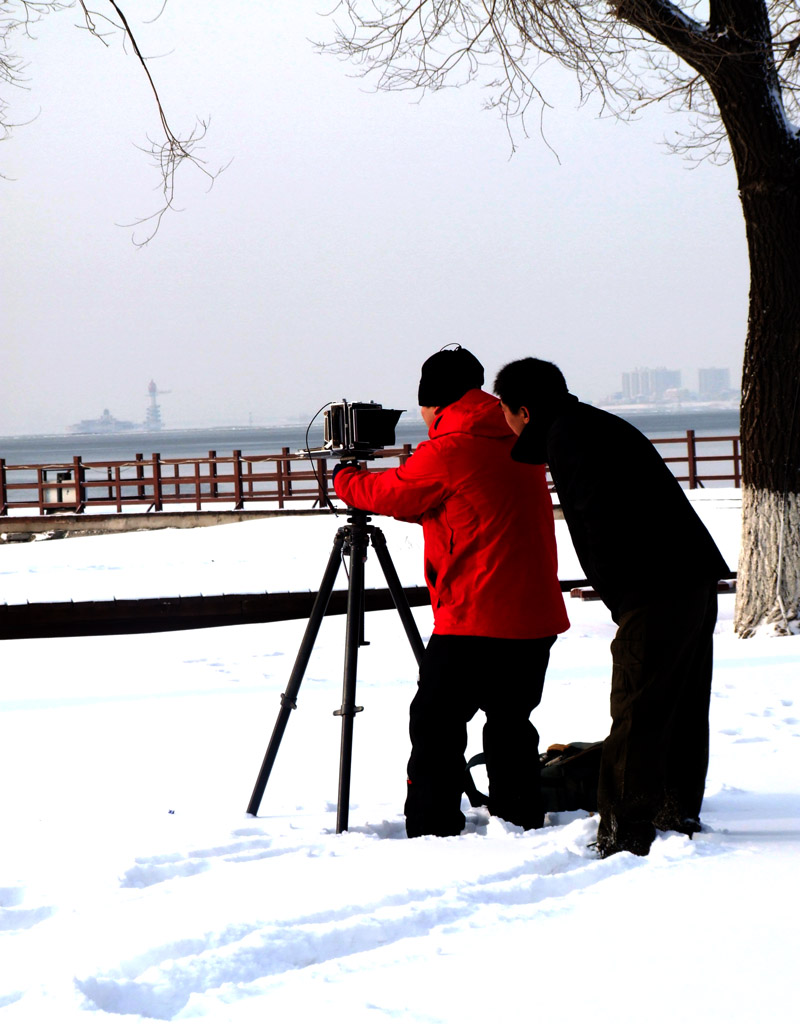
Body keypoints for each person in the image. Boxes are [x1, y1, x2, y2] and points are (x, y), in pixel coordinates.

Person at [494, 357, 730, 858]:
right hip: (686, 577)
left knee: (638, 708)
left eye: (506, 412)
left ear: (524, 411)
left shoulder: (569, 437)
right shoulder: (591, 424)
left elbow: (602, 526)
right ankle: (676, 809)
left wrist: (624, 599)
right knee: (680, 703)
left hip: (654, 586)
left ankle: (625, 832)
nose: (505, 423)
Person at [333, 346, 569, 838]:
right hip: (535, 614)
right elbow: (468, 503)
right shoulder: (519, 434)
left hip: (475, 617)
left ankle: (432, 826)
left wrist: (345, 477)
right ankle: (520, 816)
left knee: (436, 726)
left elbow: (391, 492)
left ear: (434, 403)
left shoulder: (449, 448)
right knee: (512, 722)